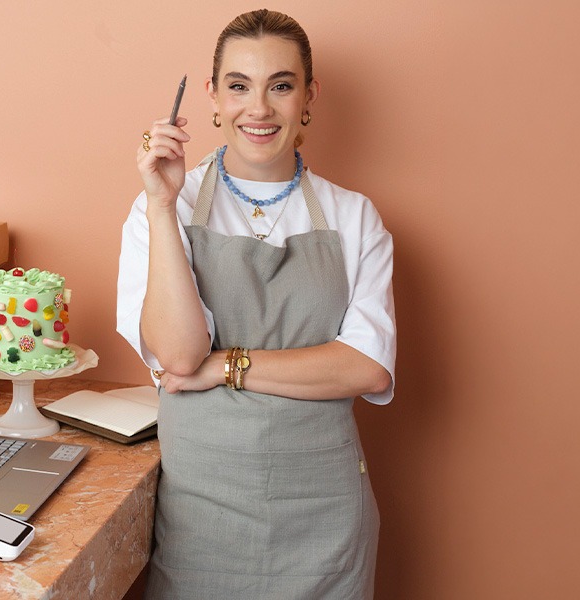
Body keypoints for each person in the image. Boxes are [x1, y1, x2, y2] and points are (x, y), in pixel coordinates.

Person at [117, 9, 396, 599]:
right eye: (239, 86)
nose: (259, 108)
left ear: (309, 96)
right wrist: (164, 206)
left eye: (282, 85)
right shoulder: (160, 210)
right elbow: (178, 353)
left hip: (325, 514)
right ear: (213, 95)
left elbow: (364, 367)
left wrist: (228, 365)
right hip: (203, 512)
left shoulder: (353, 216)